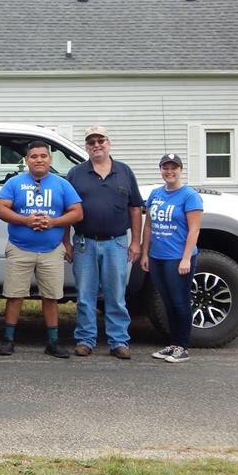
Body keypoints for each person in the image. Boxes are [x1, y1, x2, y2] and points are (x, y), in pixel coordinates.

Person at [0, 140, 83, 358]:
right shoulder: (15, 182)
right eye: (34, 156)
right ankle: (8, 339)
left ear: (49, 159)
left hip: (51, 249)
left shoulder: (62, 184)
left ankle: (53, 341)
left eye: (43, 156)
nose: (39, 160)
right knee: (14, 295)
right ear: (26, 160)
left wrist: (53, 222)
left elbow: (77, 212)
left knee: (51, 296)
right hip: (19, 247)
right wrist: (25, 220)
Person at [65, 126, 143, 359]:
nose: (96, 145)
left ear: (108, 143)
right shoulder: (76, 173)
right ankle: (85, 339)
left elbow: (135, 208)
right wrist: (66, 243)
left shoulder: (124, 172)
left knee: (116, 295)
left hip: (116, 243)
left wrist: (136, 242)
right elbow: (66, 209)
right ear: (86, 146)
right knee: (85, 295)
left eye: (100, 140)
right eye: (91, 142)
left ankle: (118, 341)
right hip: (83, 243)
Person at [141, 153, 203, 364]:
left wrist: (186, 258)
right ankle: (173, 343)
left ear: (180, 170)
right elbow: (148, 225)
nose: (169, 172)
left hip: (178, 258)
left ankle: (183, 346)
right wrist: (145, 253)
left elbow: (194, 230)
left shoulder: (190, 196)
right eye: (165, 168)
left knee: (180, 302)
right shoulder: (156, 194)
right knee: (167, 302)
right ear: (161, 170)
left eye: (173, 168)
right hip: (157, 257)